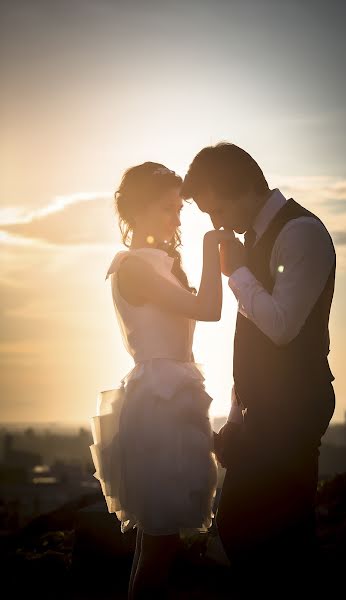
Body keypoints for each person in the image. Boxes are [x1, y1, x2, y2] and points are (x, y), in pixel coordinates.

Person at [181, 143, 336, 594]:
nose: (217, 224)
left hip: (294, 410)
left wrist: (237, 275)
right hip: (261, 415)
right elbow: (249, 343)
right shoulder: (253, 242)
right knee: (245, 530)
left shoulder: (301, 233)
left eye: (218, 209)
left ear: (246, 188)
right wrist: (234, 419)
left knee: (278, 537)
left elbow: (282, 327)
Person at [89, 162, 234, 599]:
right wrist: (213, 249)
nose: (177, 220)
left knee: (155, 542)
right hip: (159, 402)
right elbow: (209, 309)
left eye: (178, 210)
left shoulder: (159, 266)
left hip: (172, 398)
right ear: (138, 211)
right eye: (168, 210)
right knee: (159, 542)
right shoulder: (134, 268)